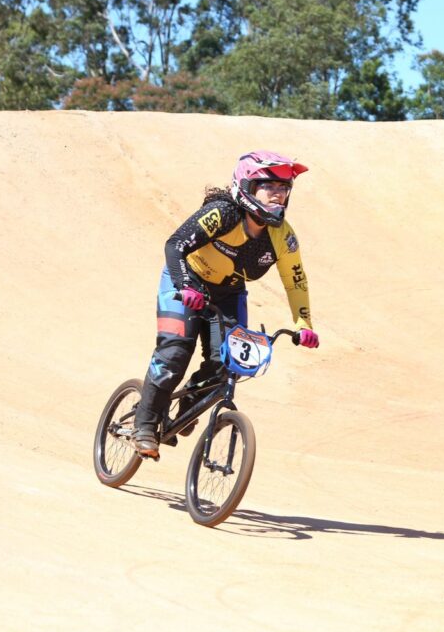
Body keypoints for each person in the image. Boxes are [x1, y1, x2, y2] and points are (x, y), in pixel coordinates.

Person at [132, 150, 320, 457]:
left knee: (228, 364)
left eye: (283, 188)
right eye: (269, 186)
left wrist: (304, 324)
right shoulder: (223, 213)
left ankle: (184, 410)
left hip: (229, 292)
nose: (278, 194)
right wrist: (185, 285)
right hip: (185, 280)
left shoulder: (282, 237)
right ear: (246, 187)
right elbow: (175, 245)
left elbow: (295, 281)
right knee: (175, 352)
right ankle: (145, 424)